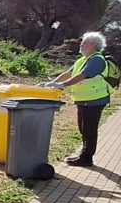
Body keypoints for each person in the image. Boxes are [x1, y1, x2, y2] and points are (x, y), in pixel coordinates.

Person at [47, 32, 114, 166]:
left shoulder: (97, 59)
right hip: (84, 100)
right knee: (83, 128)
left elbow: (83, 75)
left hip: (95, 100)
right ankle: (84, 154)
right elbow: (69, 73)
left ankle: (86, 158)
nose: (81, 45)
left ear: (94, 45)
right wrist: (51, 83)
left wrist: (62, 85)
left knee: (89, 129)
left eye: (85, 43)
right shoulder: (82, 60)